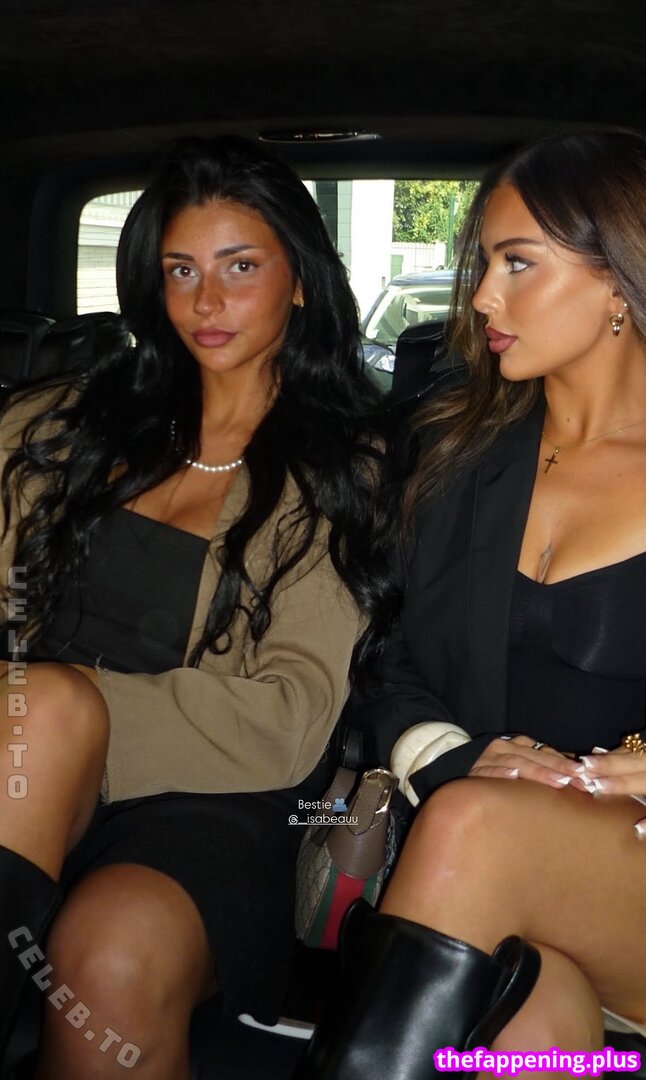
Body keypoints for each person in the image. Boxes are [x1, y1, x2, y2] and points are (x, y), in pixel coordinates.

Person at [0, 135, 394, 1079]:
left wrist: (73, 717)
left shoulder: (339, 468)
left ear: (301, 282)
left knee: (112, 958)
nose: (205, 301)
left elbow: (290, 717)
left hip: (211, 799)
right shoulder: (57, 423)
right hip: (11, 760)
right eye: (182, 270)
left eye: (240, 267)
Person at [297, 128, 646, 1079]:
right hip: (511, 907)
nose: (484, 297)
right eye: (483, 264)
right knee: (523, 1045)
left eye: (518, 263)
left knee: (473, 827)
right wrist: (444, 752)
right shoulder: (456, 455)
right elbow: (388, 656)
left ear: (619, 277)